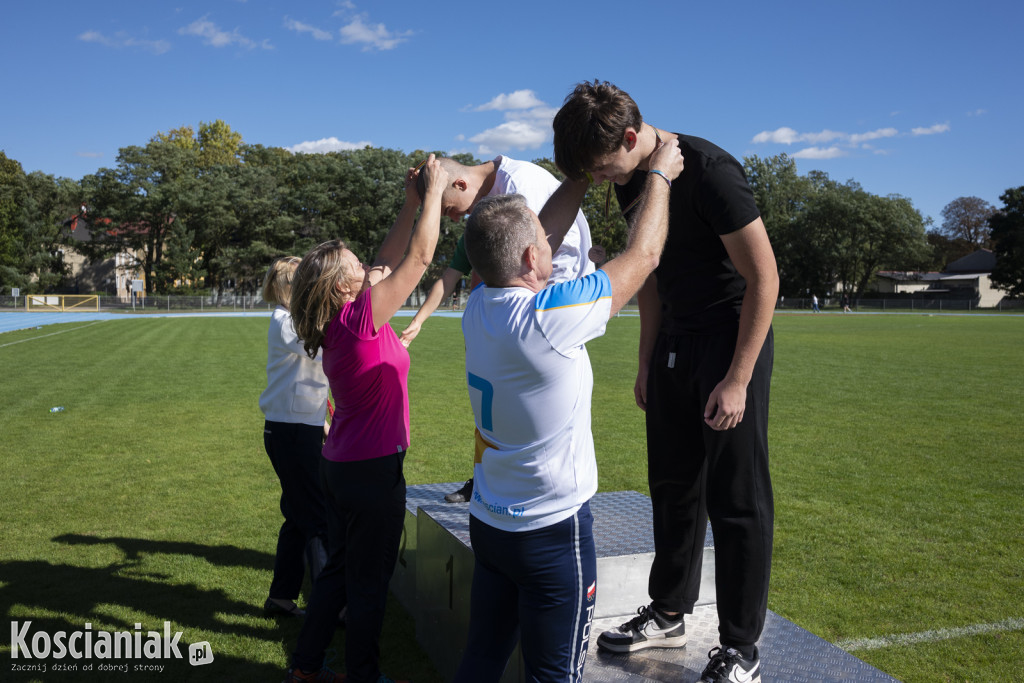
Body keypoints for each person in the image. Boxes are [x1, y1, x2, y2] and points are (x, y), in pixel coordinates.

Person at [551, 80, 778, 683]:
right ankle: (670, 611)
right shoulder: (634, 178)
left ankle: (740, 647)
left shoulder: (709, 171)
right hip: (676, 345)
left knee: (736, 500)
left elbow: (765, 279)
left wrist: (737, 377)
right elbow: (649, 280)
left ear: (631, 137)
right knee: (672, 486)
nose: (600, 179)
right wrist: (648, 360)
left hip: (730, 344)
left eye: (601, 166)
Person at [453, 138, 685, 682]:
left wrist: (580, 174)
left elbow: (535, 239)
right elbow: (644, 256)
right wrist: (661, 178)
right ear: (534, 258)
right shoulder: (548, 317)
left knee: (481, 661)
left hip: (490, 524)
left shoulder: (479, 305)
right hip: (550, 535)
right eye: (543, 243)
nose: (553, 245)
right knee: (554, 676)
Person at [283, 156, 447, 683]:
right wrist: (437, 192)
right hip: (371, 472)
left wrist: (410, 203)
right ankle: (364, 676)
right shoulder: (358, 322)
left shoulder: (347, 320)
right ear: (341, 288)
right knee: (368, 583)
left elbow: (390, 254)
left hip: (345, 467)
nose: (368, 267)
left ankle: (306, 666)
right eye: (356, 267)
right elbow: (418, 258)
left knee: (339, 571)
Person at [397, 155, 596, 504]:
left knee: (528, 410)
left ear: (460, 185)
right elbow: (468, 272)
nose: (454, 218)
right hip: (528, 301)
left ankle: (537, 493)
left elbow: (525, 259)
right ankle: (488, 478)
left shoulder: (522, 187)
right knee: (497, 402)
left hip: (547, 301)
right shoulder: (491, 205)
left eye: (447, 209)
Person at [258, 256, 330, 619]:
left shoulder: (295, 320)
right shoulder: (285, 322)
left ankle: (281, 598)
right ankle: (328, 607)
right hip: (289, 432)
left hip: (300, 428)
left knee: (299, 515)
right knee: (316, 516)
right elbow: (317, 347)